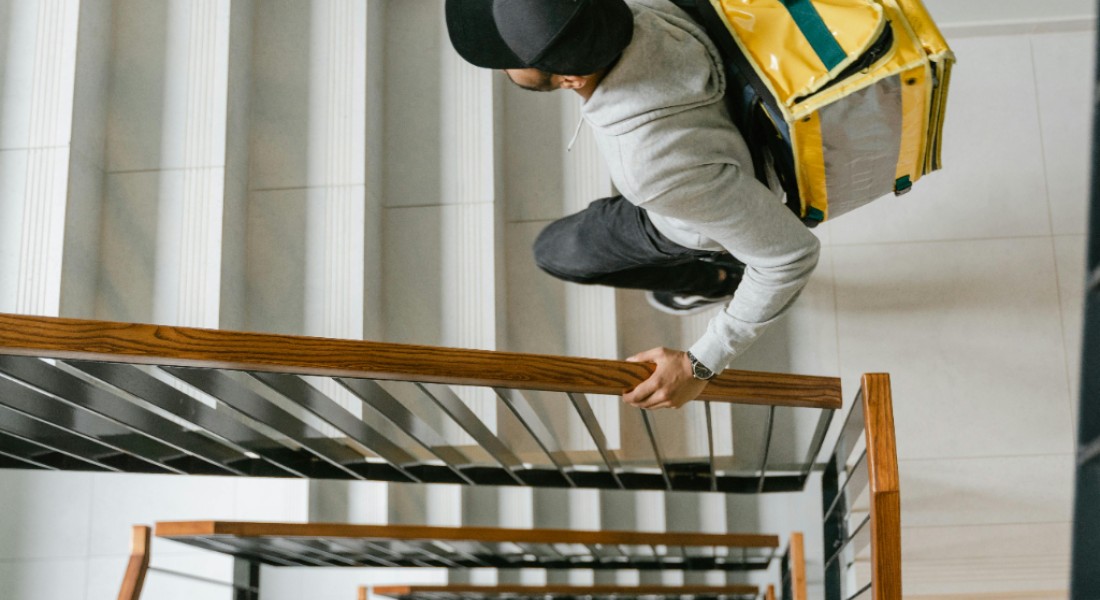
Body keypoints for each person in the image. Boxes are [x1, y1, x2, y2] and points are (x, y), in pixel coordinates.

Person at [445, 0, 820, 410]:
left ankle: (718, 277)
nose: (501, 66)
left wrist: (700, 364)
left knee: (555, 252)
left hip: (691, 209)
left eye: (509, 57)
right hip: (708, 156)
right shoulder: (638, 8)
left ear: (571, 78)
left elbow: (790, 257)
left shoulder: (648, 166)